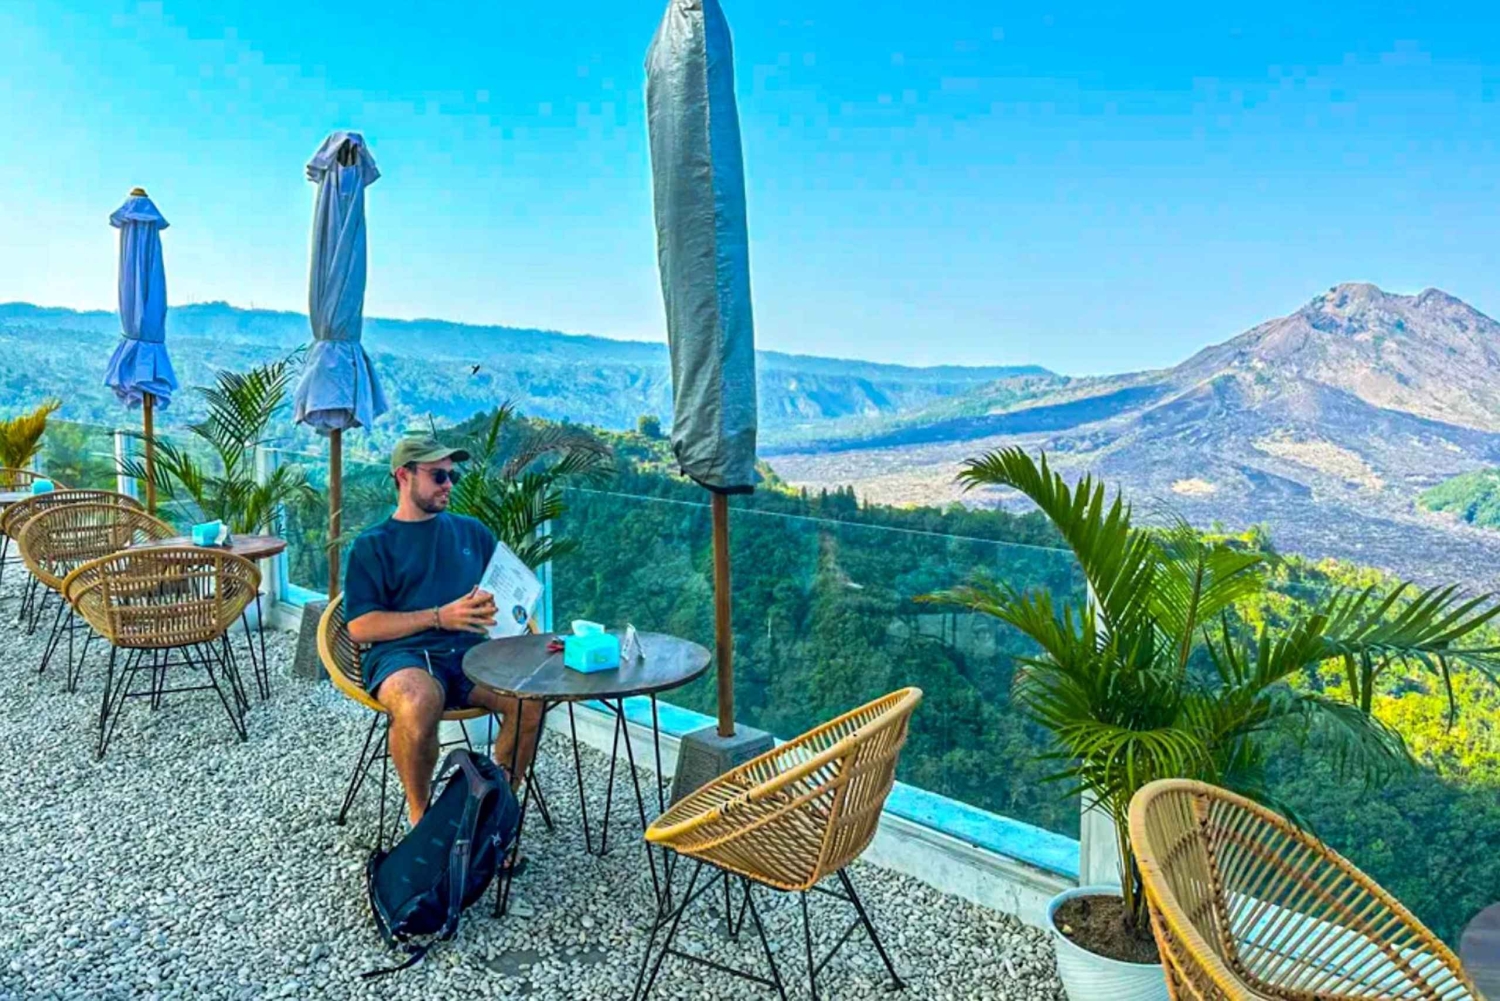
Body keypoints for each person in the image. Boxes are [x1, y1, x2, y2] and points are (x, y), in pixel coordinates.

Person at [344, 434, 545, 827]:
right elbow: (360, 626)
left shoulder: (472, 533)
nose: (449, 485)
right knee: (418, 701)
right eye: (438, 476)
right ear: (403, 476)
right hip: (404, 656)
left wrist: (508, 615)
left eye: (453, 476)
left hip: (472, 654)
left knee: (530, 700)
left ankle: (493, 815)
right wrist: (439, 617)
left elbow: (505, 593)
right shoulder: (373, 546)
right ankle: (422, 819)